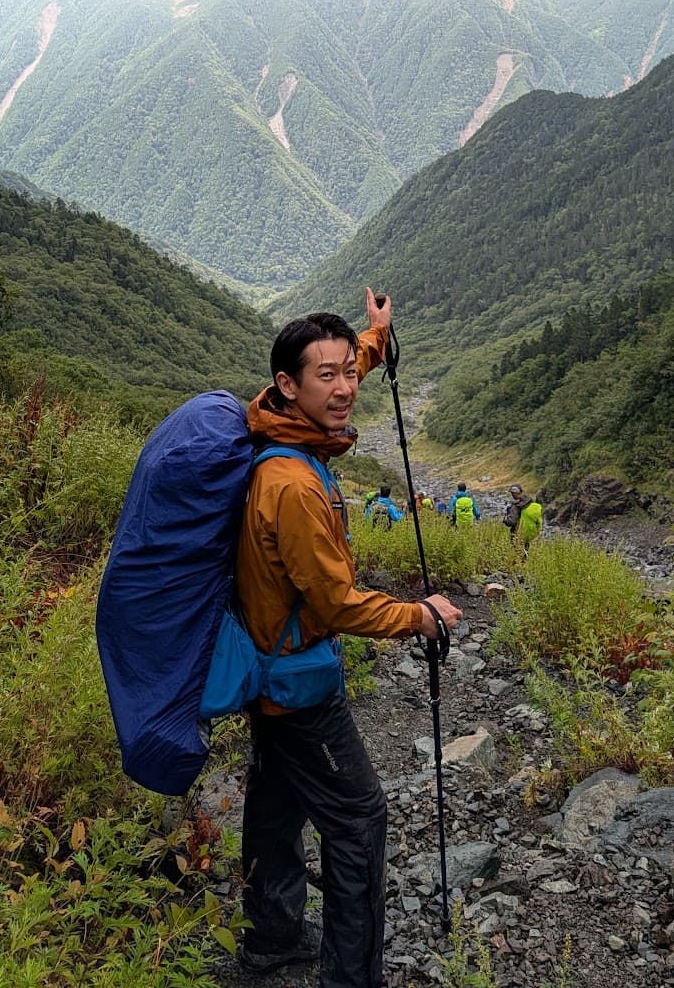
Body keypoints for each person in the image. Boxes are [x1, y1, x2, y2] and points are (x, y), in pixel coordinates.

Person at [234, 287, 461, 985]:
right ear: (287, 384)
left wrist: (375, 335)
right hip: (300, 684)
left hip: (267, 672)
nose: (342, 389)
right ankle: (350, 977)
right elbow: (334, 604)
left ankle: (271, 936)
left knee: (276, 805)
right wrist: (418, 617)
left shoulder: (274, 425)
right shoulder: (296, 487)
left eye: (348, 374)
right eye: (324, 376)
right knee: (359, 819)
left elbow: (342, 362)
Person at [504, 483, 543, 551]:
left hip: (517, 532)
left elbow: (512, 522)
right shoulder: (529, 501)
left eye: (512, 493)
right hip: (527, 532)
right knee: (525, 550)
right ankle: (525, 561)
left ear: (513, 493)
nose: (512, 495)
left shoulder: (516, 505)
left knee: (516, 552)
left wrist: (505, 519)